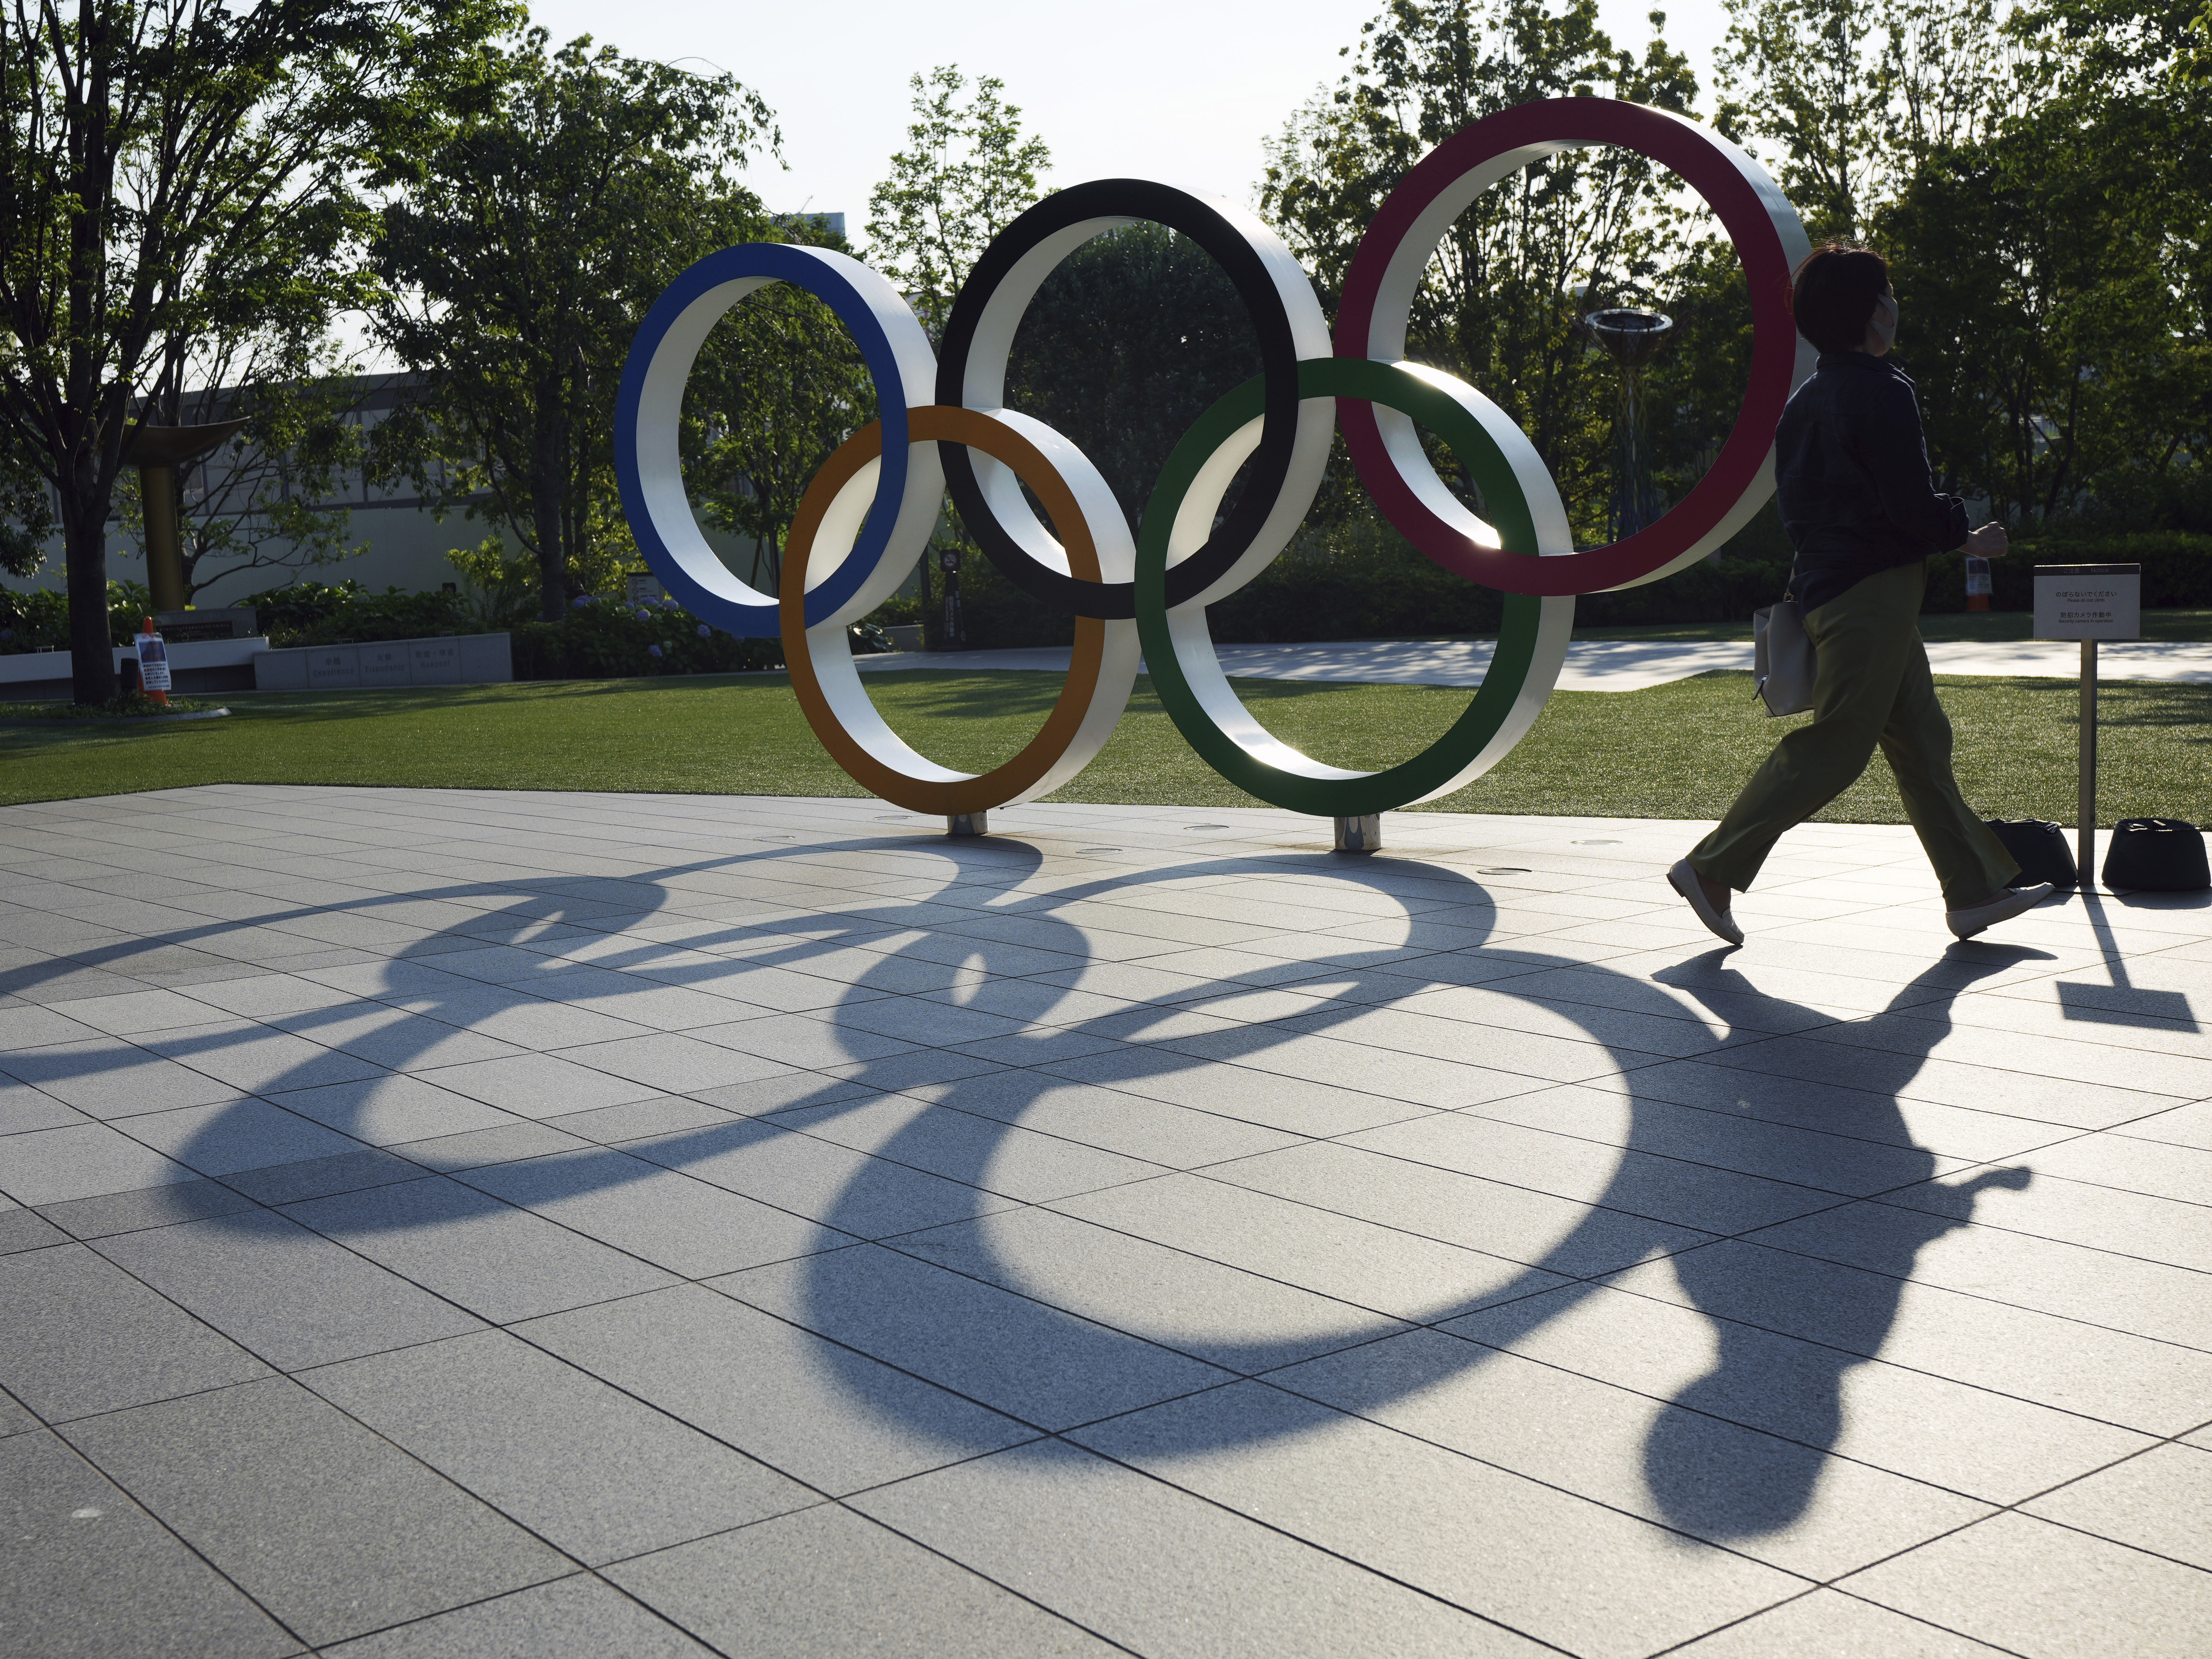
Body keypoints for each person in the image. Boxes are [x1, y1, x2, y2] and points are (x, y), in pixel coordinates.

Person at [1667, 244, 2053, 946]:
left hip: (1835, 592)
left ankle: (1971, 892)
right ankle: (1712, 866)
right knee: (1840, 744)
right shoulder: (1883, 389)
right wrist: (1969, 535)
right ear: (1874, 311)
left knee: (1921, 740)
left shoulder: (1803, 403)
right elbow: (1908, 506)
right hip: (1870, 595)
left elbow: (1804, 512)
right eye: (1891, 293)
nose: (1896, 304)